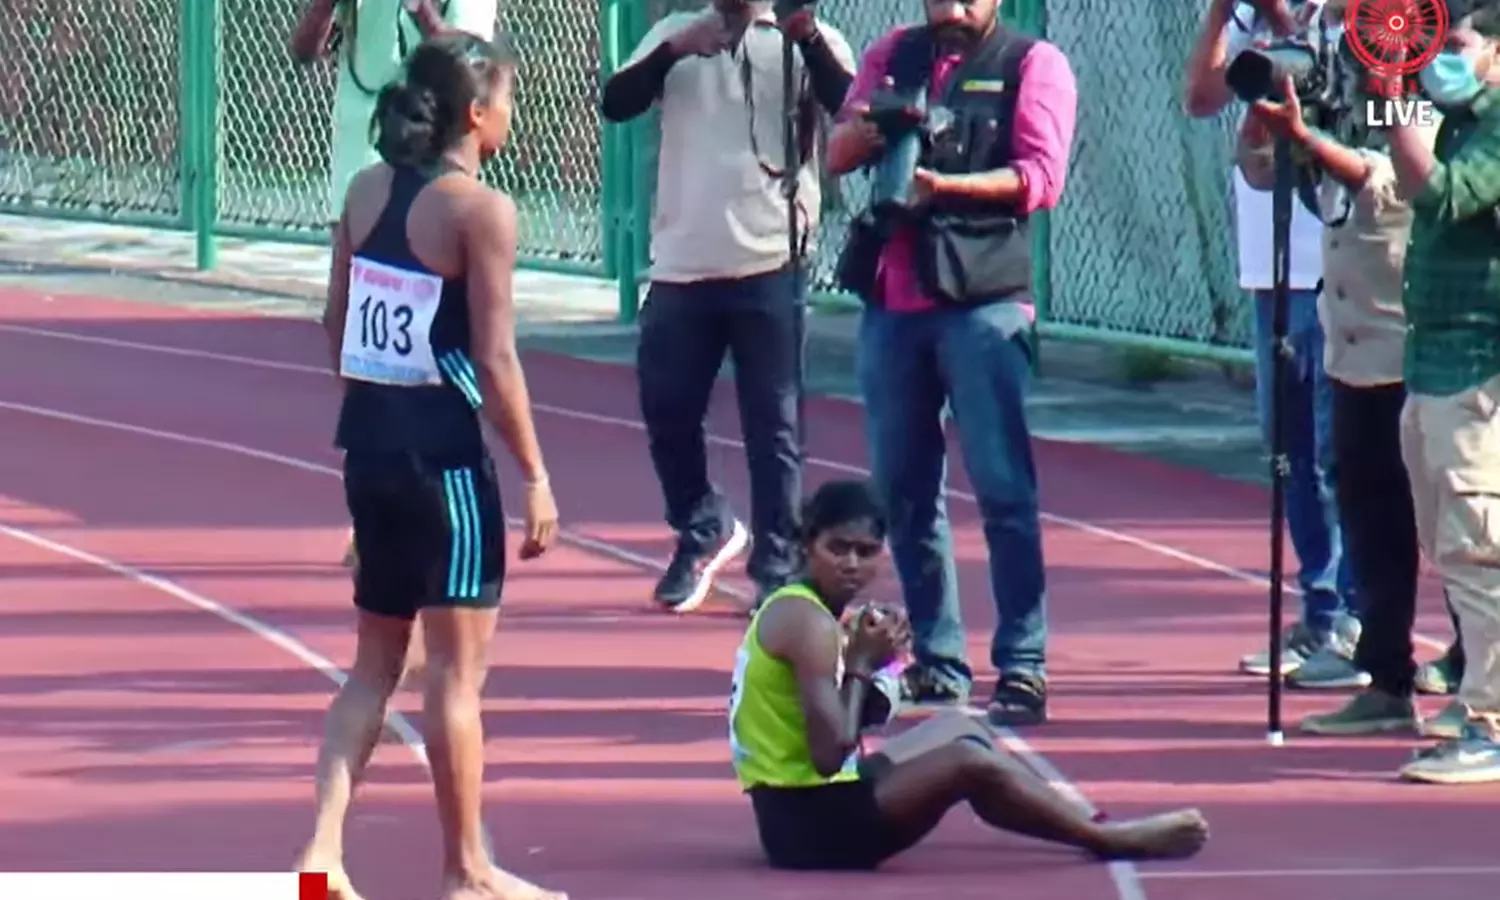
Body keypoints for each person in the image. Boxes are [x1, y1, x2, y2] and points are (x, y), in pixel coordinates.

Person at [293, 32, 566, 900]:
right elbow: (495, 360)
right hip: (445, 464)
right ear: (478, 114)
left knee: (372, 663)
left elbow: (337, 321)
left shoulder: (364, 190)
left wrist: (375, 415)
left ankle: (321, 856)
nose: (513, 118)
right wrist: (535, 475)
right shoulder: (480, 211)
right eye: (509, 102)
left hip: (368, 452)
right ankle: (466, 871)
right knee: (455, 674)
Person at [729, 479, 1210, 871]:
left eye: (866, 550)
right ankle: (1102, 838)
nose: (851, 564)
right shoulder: (807, 623)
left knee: (965, 726)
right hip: (811, 828)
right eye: (838, 548)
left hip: (814, 800)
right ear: (807, 545)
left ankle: (1056, 813)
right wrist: (859, 665)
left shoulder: (810, 611)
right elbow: (829, 755)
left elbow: (850, 722)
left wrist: (883, 666)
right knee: (967, 762)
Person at [824, 0, 1077, 725]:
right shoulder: (890, 56)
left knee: (1003, 491)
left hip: (984, 300)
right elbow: (834, 151)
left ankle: (1023, 664)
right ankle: (939, 662)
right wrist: (880, 129)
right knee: (903, 494)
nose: (954, 8)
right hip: (892, 303)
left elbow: (1040, 178)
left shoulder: (1034, 64)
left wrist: (945, 187)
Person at [1234, 46, 1472, 736]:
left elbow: (1391, 179)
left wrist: (1311, 135)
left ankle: (1476, 680)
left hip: (1424, 344)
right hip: (1354, 344)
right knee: (1371, 520)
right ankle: (1386, 679)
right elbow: (1265, 174)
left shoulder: (1436, 88)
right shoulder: (1343, 82)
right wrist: (1264, 126)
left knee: (1454, 524)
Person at [600, 0, 855, 614]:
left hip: (771, 259)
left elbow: (850, 104)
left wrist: (809, 39)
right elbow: (616, 103)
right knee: (667, 407)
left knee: (774, 424)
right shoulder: (675, 34)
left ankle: (778, 562)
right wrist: (674, 50)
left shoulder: (803, 37)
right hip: (682, 261)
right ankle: (702, 524)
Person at [291, 0, 500, 688]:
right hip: (363, 181)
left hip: (431, 188)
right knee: (353, 327)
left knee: (431, 363)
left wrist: (422, 12)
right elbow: (302, 49)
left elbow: (469, 69)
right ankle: (384, 534)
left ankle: (413, 581)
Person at [1184, 0, 1362, 685]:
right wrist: (1220, 16)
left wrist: (1288, 26)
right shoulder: (1244, 20)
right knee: (1285, 447)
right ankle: (1319, 610)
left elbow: (1340, 98)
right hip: (1270, 266)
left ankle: (1353, 616)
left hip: (1341, 260)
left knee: (1335, 448)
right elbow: (1200, 99)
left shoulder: (1356, 18)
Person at [1384, 3, 1500, 784]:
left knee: (1479, 547)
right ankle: (1474, 698)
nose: (1441, 58)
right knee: (1446, 546)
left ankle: (1492, 722)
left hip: (1478, 363)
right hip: (1428, 359)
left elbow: (1441, 194)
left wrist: (1396, 99)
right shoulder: (1447, 116)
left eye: (1456, 45)